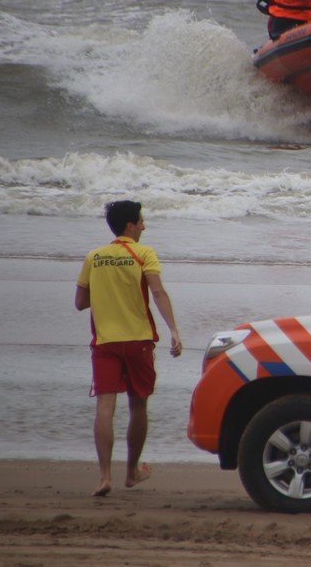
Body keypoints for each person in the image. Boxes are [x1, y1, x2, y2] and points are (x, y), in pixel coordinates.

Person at [75, 200, 183, 498]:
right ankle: (132, 472)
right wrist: (174, 330)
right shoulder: (143, 253)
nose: (144, 226)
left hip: (105, 343)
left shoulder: (94, 257)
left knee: (105, 408)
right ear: (129, 226)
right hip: (138, 341)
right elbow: (158, 292)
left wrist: (107, 292)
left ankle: (104, 477)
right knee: (138, 405)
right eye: (141, 221)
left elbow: (80, 303)